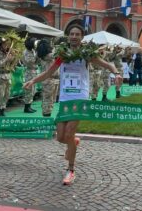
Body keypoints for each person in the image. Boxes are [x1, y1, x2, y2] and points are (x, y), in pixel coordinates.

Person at [23, 24, 122, 186]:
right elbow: (48, 73)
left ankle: (71, 170)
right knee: (61, 137)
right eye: (72, 34)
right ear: (68, 37)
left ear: (82, 37)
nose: (74, 37)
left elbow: (108, 65)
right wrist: (32, 81)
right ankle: (73, 141)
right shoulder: (62, 55)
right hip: (65, 97)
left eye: (77, 34)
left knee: (68, 134)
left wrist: (116, 73)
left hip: (80, 97)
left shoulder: (87, 54)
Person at [37, 39, 59, 117]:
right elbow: (57, 54)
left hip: (51, 79)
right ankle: (46, 116)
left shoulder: (42, 55)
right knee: (48, 100)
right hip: (49, 80)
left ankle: (47, 115)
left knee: (50, 100)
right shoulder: (48, 55)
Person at [21, 37, 38, 113]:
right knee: (29, 90)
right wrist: (36, 57)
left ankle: (29, 106)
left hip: (33, 72)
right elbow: (30, 62)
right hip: (29, 72)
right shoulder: (26, 52)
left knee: (33, 90)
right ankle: (26, 107)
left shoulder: (32, 51)